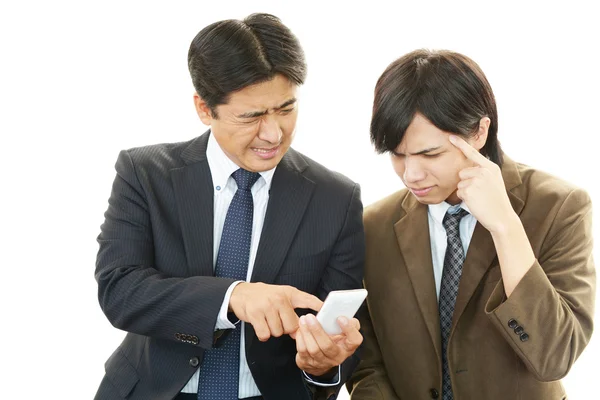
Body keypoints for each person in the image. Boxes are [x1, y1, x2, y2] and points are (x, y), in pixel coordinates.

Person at [94, 13, 364, 400]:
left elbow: (341, 326)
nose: (273, 134)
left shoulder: (336, 198)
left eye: (286, 109)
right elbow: (120, 291)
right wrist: (233, 296)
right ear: (204, 109)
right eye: (251, 116)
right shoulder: (145, 173)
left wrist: (324, 364)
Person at [347, 49, 595, 399]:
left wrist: (505, 227)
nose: (411, 174)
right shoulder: (374, 225)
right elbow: (367, 363)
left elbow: (555, 356)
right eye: (398, 155)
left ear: (479, 132)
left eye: (430, 154)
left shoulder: (559, 207)